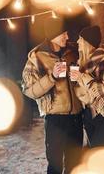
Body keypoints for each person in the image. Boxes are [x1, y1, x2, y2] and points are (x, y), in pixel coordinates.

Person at [21, 20, 84, 174]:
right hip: (56, 120)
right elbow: (29, 91)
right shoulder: (37, 58)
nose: (67, 36)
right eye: (64, 33)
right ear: (53, 35)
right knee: (55, 165)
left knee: (75, 163)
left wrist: (78, 77)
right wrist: (52, 77)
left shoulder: (72, 52)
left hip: (76, 117)